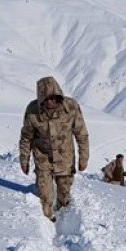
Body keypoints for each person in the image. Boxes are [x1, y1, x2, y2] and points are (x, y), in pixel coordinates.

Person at [18, 76, 89, 221]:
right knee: (45, 195)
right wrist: (24, 159)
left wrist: (84, 158)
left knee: (64, 193)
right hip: (43, 157)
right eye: (46, 99)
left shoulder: (71, 107)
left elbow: (81, 134)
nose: (50, 102)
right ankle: (47, 220)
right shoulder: (33, 111)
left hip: (65, 159)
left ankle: (63, 218)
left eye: (53, 98)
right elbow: (26, 137)